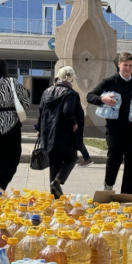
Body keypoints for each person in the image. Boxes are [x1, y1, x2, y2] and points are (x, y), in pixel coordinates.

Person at [86, 52, 132, 194]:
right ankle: (108, 187)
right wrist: (102, 99)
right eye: (125, 65)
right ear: (119, 65)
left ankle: (127, 194)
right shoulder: (109, 82)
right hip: (114, 129)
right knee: (114, 159)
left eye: (131, 65)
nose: (128, 68)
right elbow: (90, 96)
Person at [0, 59, 31, 194]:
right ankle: (0, 185)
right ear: (5, 69)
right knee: (13, 157)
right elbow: (26, 102)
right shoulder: (12, 82)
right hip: (10, 124)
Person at [38, 66, 84, 199]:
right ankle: (57, 181)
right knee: (71, 158)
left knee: (54, 163)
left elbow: (40, 112)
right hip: (64, 134)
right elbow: (68, 111)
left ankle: (55, 197)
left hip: (48, 134)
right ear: (72, 78)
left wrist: (39, 130)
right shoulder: (70, 93)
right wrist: (74, 124)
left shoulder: (46, 92)